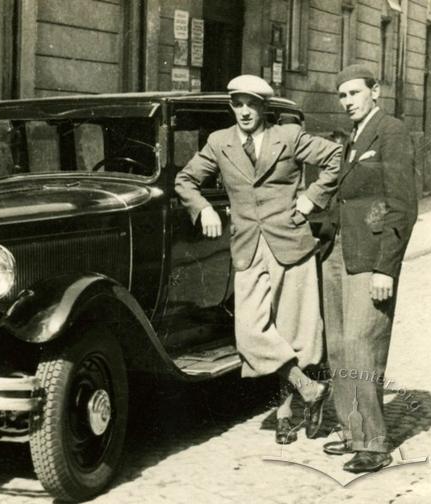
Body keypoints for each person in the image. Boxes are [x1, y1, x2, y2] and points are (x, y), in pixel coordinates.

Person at [175, 75, 341, 444]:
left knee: (293, 331)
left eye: (251, 104)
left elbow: (334, 157)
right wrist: (203, 208)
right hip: (248, 246)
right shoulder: (219, 143)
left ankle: (284, 416)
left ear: (264, 107)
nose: (245, 111)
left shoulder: (290, 135)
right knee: (250, 333)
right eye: (238, 103)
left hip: (290, 241)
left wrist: (311, 198)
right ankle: (309, 390)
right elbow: (185, 180)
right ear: (231, 107)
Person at [321, 64, 417, 473]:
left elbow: (402, 206)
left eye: (354, 93)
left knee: (363, 344)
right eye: (342, 96)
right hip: (339, 253)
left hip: (371, 257)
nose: (347, 102)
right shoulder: (353, 138)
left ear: (375, 92)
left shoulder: (390, 131)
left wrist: (387, 269)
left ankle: (374, 444)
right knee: (340, 345)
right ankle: (352, 430)